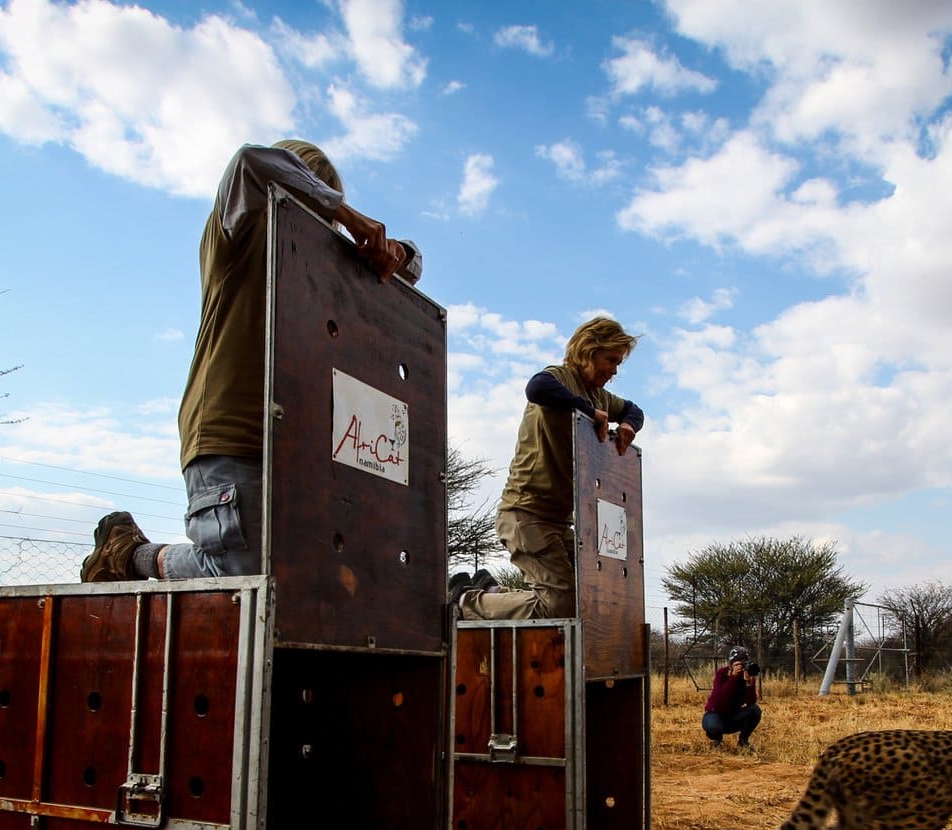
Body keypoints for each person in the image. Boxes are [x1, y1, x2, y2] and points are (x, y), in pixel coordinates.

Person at [82, 139, 422, 582]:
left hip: (293, 445)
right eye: (313, 201)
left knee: (298, 576)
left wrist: (395, 252)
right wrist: (348, 215)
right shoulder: (235, 229)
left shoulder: (316, 266)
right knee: (239, 569)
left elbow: (411, 265)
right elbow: (249, 162)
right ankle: (129, 555)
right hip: (232, 428)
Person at [454, 316, 644, 620]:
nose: (614, 370)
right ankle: (467, 601)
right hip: (525, 514)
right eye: (610, 359)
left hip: (561, 523)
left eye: (618, 363)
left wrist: (627, 425)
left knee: (591, 593)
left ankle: (492, 594)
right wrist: (587, 410)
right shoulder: (559, 378)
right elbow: (536, 387)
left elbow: (635, 410)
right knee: (560, 605)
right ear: (588, 349)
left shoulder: (600, 394)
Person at [703, 647, 762, 751]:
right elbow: (720, 700)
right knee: (714, 728)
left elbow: (751, 703)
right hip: (715, 714)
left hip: (733, 717)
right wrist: (733, 677)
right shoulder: (722, 673)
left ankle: (743, 741)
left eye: (744, 663)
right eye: (738, 664)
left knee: (755, 710)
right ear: (731, 665)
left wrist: (749, 684)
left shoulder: (747, 676)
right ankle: (717, 740)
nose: (741, 667)